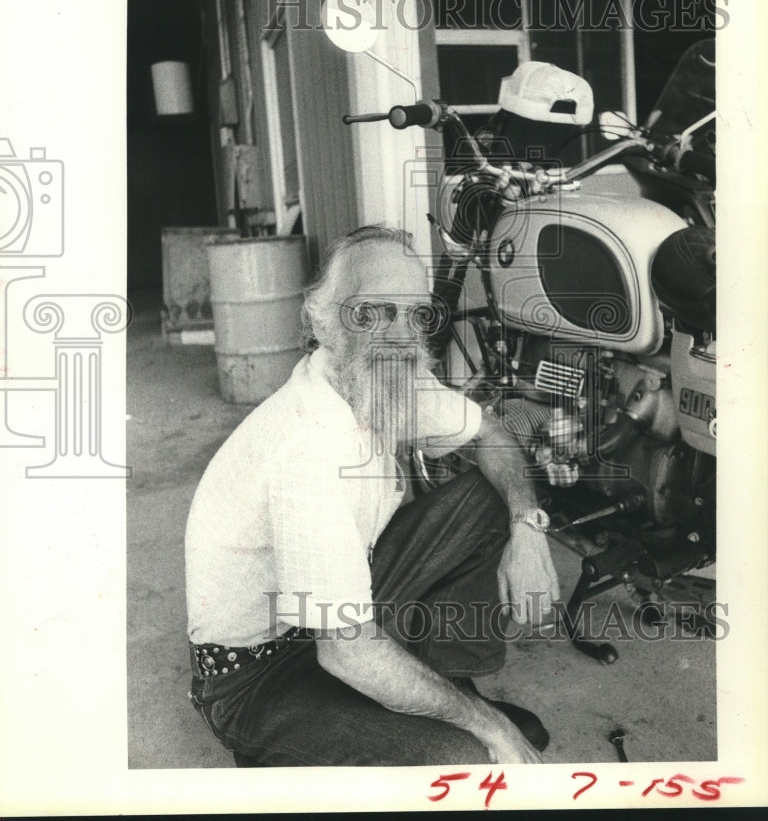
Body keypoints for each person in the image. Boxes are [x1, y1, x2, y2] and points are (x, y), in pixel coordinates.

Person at [185, 225, 560, 767]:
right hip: (255, 676)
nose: (401, 333)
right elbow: (345, 647)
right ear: (324, 320)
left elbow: (489, 434)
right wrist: (490, 728)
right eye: (372, 312)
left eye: (415, 314)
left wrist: (528, 527)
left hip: (334, 612)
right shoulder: (310, 442)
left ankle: (443, 691)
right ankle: (286, 748)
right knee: (467, 764)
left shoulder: (387, 377)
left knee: (486, 497)